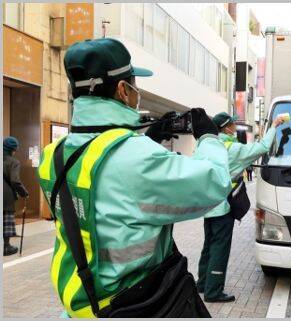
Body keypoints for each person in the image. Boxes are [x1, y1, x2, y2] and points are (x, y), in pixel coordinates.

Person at [37, 38, 231, 317]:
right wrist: (210, 138)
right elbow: (214, 183)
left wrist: (143, 138)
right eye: (134, 84)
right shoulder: (136, 157)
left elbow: (109, 203)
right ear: (123, 90)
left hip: (82, 305)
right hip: (134, 304)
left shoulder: (52, 155)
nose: (136, 91)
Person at [197, 112, 285, 302]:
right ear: (226, 127)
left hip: (207, 205)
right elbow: (262, 147)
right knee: (220, 247)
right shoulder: (232, 148)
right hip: (223, 206)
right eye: (233, 124)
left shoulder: (206, 147)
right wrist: (274, 126)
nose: (235, 127)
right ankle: (213, 291)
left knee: (208, 245)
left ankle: (203, 284)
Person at [3, 137, 29, 256]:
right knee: (6, 220)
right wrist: (24, 193)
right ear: (13, 149)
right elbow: (15, 181)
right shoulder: (13, 162)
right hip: (5, 195)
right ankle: (6, 247)